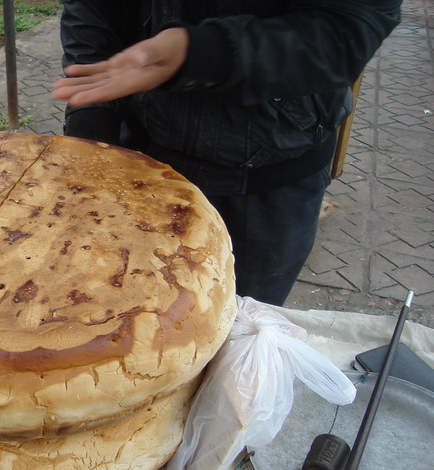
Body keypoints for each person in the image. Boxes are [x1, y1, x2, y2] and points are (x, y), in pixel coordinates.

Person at [52, 0, 402, 306]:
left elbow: (348, 29)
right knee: (121, 311)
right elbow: (92, 11)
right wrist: (91, 131)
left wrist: (204, 52)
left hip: (269, 178)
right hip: (142, 157)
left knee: (236, 329)